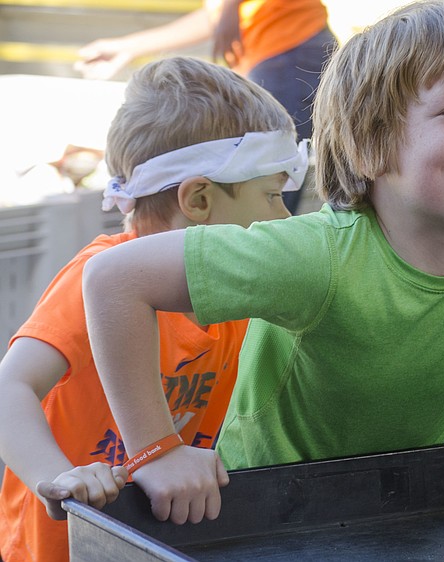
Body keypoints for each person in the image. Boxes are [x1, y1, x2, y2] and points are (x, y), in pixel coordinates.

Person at [81, 0, 444, 526]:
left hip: (399, 511)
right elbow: (113, 278)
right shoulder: (317, 257)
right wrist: (157, 452)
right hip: (265, 519)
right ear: (370, 147)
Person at [0, 56, 307, 562]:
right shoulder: (96, 279)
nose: (283, 217)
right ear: (200, 200)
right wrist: (57, 479)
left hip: (161, 541)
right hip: (61, 547)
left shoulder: (240, 289)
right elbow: (12, 388)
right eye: (273, 196)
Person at [75, 0, 338, 214]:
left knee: (268, 187)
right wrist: (128, 47)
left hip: (290, 49)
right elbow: (214, 16)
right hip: (275, 54)